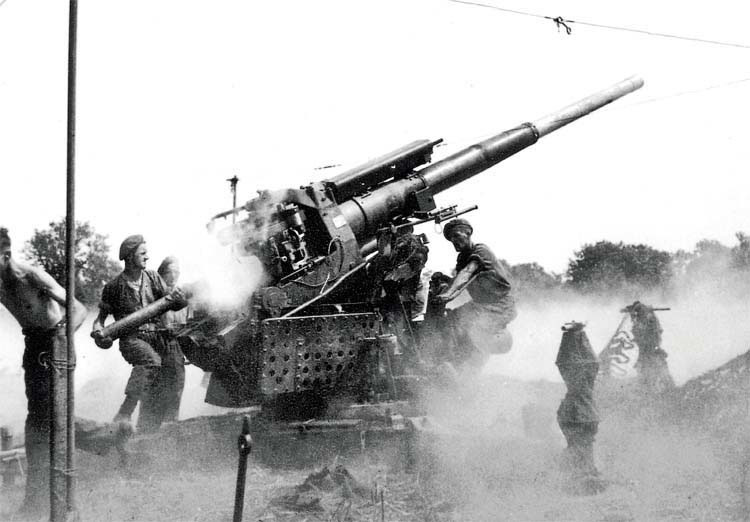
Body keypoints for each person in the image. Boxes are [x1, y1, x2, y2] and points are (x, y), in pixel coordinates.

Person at [0, 227, 129, 517]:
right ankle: (109, 436)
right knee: (39, 425)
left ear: (6, 255)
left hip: (54, 344)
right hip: (32, 345)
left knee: (43, 423)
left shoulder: (32, 276)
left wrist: (59, 340)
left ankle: (107, 435)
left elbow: (79, 310)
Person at [92, 235, 185, 432]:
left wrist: (180, 299)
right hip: (132, 339)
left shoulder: (152, 277)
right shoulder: (113, 287)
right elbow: (100, 319)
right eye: (142, 253)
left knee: (173, 373)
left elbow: (173, 303)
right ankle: (125, 412)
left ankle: (166, 427)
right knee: (150, 362)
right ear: (129, 256)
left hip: (158, 336)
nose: (147, 257)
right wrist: (97, 330)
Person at [436, 218, 517, 369]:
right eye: (451, 238)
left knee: (474, 332)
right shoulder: (462, 257)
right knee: (451, 320)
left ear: (468, 233)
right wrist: (443, 283)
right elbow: (458, 279)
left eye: (456, 235)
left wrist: (447, 296)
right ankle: (450, 360)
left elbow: (467, 273)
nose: (454, 241)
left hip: (500, 305)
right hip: (481, 305)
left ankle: (466, 369)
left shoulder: (480, 251)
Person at [555, 321, 607, 495]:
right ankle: (585, 477)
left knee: (579, 447)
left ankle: (584, 477)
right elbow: (591, 363)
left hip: (576, 411)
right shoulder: (586, 364)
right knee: (582, 447)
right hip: (583, 410)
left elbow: (568, 363)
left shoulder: (570, 362)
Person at [155, 256, 187, 423]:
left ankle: (169, 428)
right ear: (162, 274)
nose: (174, 276)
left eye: (177, 272)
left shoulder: (182, 296)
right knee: (155, 392)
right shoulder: (155, 295)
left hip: (175, 346)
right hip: (158, 344)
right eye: (170, 272)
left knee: (175, 389)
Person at [625, 301, 674, 393]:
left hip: (651, 349)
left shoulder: (649, 319)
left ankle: (664, 389)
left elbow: (650, 332)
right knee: (646, 371)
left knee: (657, 370)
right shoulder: (642, 320)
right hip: (646, 350)